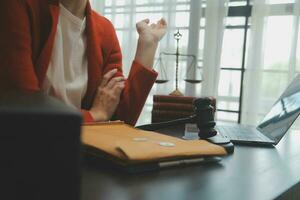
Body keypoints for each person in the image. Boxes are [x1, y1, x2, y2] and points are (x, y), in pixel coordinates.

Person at [0, 0, 167, 125]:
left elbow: (120, 119)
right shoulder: (17, 6)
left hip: (80, 155)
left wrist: (148, 45)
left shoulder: (105, 30)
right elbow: (22, 113)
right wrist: (94, 116)